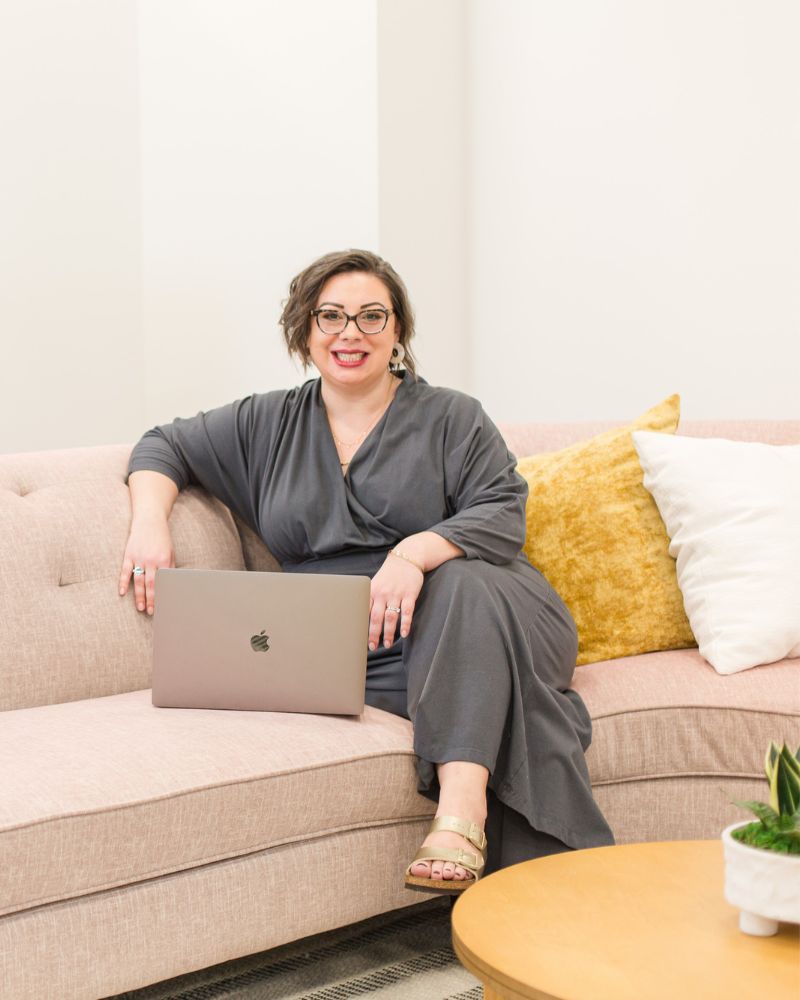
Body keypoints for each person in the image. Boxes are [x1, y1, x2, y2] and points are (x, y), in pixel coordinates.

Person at [120, 248, 614, 894]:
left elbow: (501, 513)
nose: (350, 333)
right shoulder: (267, 423)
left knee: (462, 586)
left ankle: (462, 812)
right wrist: (150, 520)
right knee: (482, 687)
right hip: (364, 643)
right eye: (330, 316)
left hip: (493, 608)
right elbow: (163, 444)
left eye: (371, 316)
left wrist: (413, 555)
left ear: (398, 332)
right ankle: (564, 883)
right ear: (304, 331)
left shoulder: (452, 417)